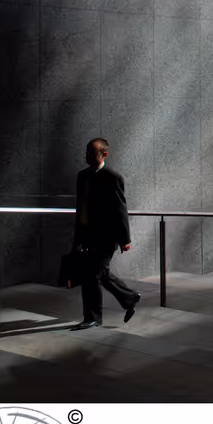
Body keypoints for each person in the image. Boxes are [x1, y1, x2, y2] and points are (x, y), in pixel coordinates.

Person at [71, 138, 140, 330]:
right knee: (96, 273)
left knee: (92, 273)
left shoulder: (113, 177)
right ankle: (129, 298)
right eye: (86, 152)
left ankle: (92, 317)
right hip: (86, 235)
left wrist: (125, 239)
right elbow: (80, 207)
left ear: (104, 155)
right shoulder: (82, 176)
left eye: (91, 153)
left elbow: (120, 209)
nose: (87, 156)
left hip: (106, 237)